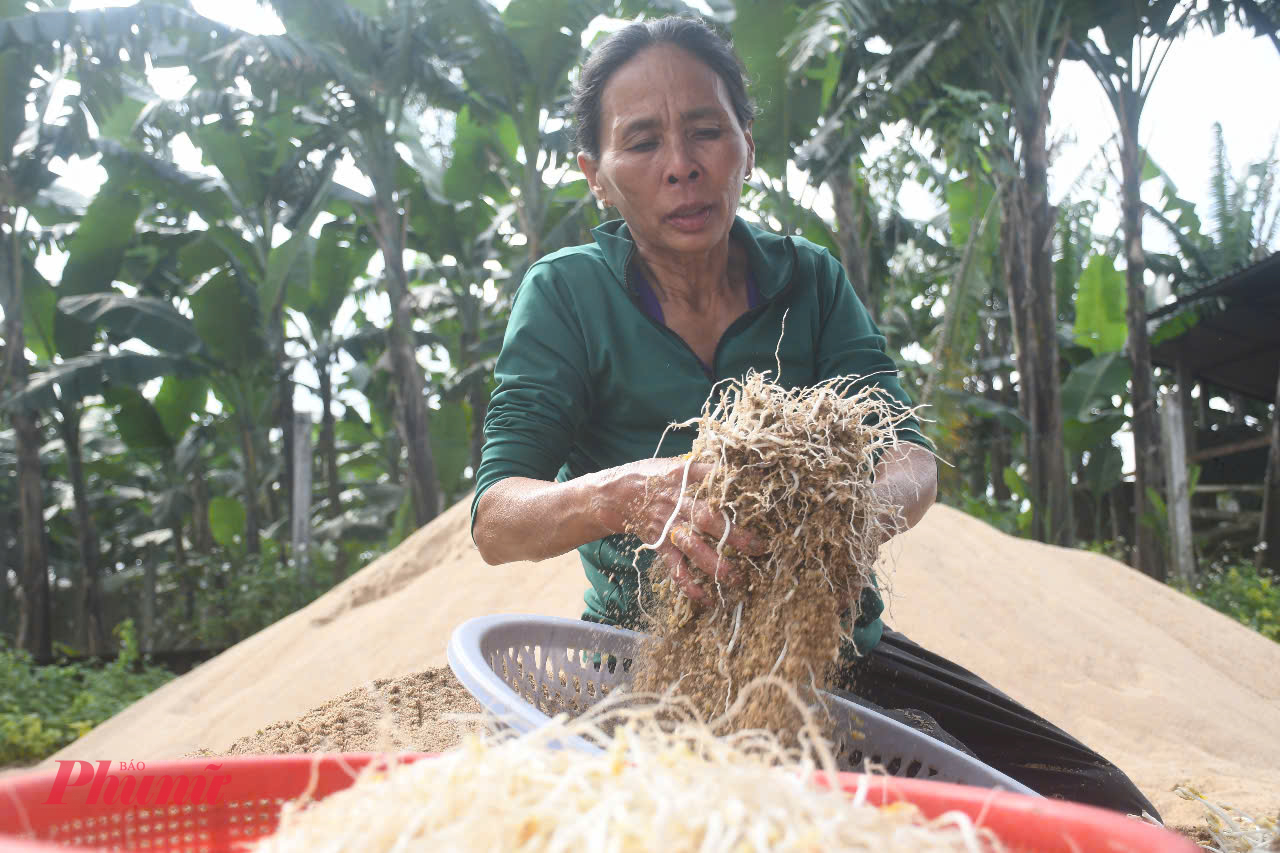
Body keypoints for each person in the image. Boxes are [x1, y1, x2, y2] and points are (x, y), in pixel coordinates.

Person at [470, 15, 1159, 820]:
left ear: (746, 145)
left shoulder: (809, 281)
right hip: (645, 657)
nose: (682, 167)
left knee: (1107, 809)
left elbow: (911, 457)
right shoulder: (567, 296)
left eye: (705, 132)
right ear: (596, 172)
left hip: (834, 645)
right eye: (643, 142)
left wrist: (837, 528)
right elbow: (496, 517)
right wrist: (625, 495)